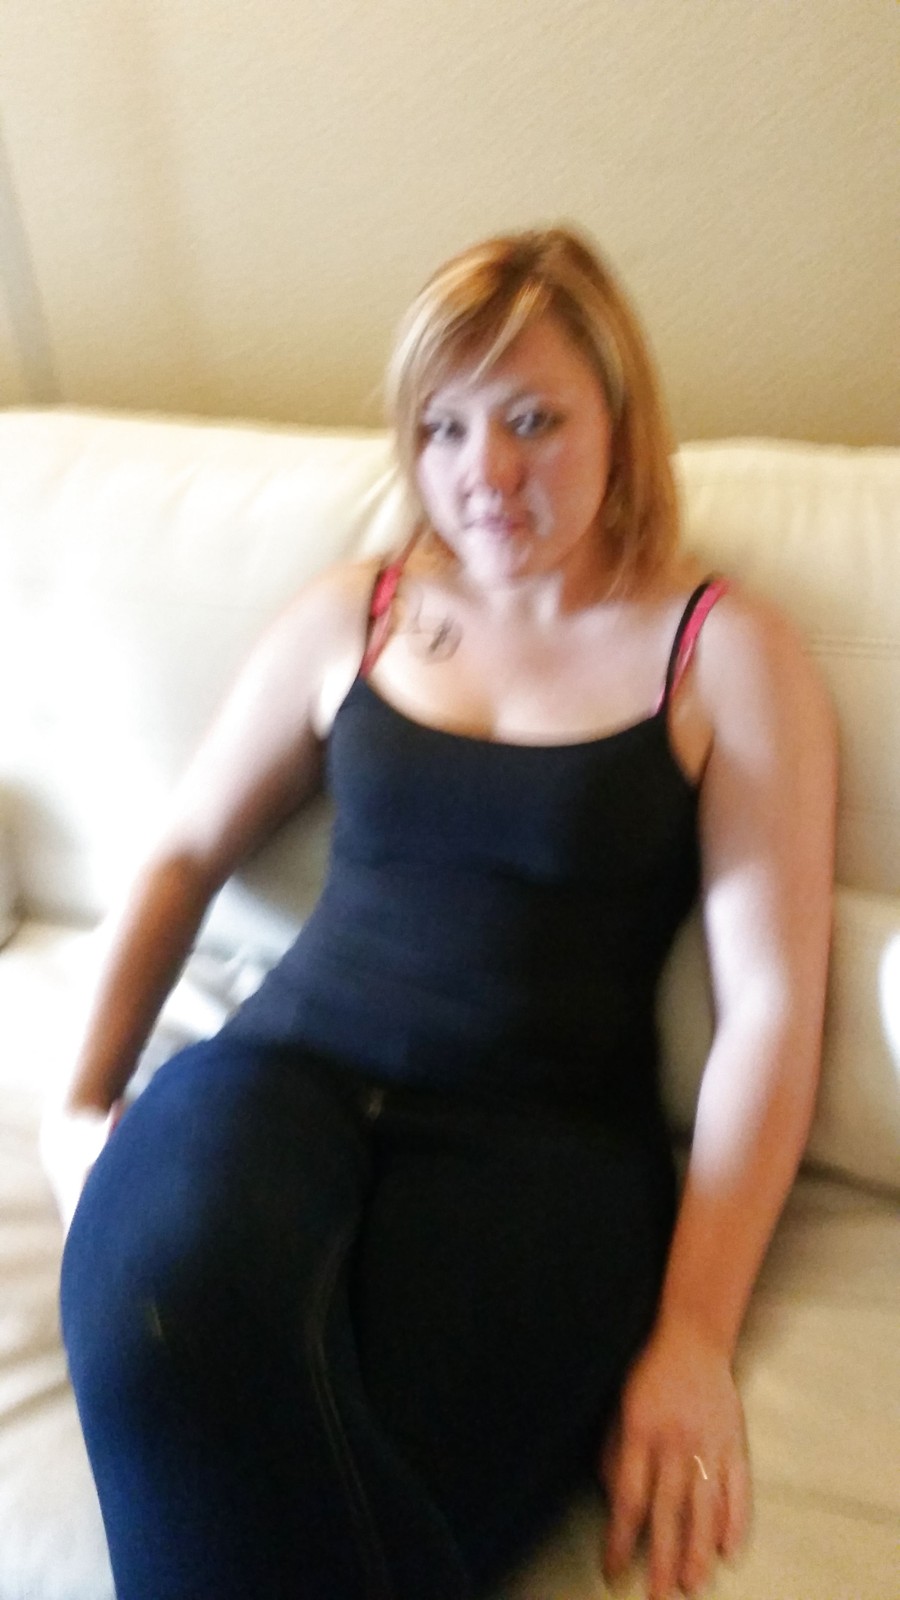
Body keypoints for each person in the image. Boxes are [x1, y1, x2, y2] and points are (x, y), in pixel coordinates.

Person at [44, 226, 836, 1600]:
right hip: (275, 1084)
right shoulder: (354, 615)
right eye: (446, 428)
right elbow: (180, 853)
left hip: (543, 1155)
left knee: (383, 1476)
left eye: (535, 420)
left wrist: (695, 1336)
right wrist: (78, 1101)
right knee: (157, 1317)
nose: (488, 473)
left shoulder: (724, 653)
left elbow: (769, 1008)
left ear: (621, 419)